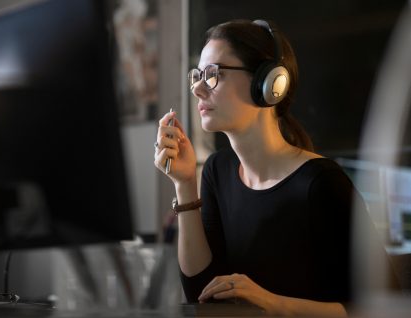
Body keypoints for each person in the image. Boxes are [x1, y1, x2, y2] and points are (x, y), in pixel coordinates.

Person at [154, 19, 362, 316]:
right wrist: (184, 183)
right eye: (197, 75)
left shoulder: (322, 183)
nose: (198, 89)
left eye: (213, 74)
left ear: (268, 83)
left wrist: (275, 304)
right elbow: (202, 295)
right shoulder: (217, 170)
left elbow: (386, 308)